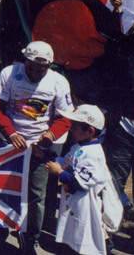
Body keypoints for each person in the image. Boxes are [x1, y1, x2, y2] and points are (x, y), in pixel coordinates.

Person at [0, 41, 74, 254]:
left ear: (49, 66)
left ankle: (30, 238)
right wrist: (11, 133)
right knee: (3, 188)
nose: (35, 72)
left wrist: (50, 134)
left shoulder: (58, 82)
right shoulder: (10, 73)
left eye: (41, 68)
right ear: (24, 60)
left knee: (37, 193)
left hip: (40, 145)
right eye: (31, 67)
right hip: (9, 139)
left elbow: (65, 117)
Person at [45, 105, 109, 255]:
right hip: (72, 202)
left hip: (85, 204)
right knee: (71, 233)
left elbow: (80, 183)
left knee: (83, 237)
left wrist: (59, 172)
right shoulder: (77, 146)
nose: (71, 129)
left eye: (75, 127)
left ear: (90, 131)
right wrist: (44, 156)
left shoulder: (94, 154)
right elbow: (64, 162)